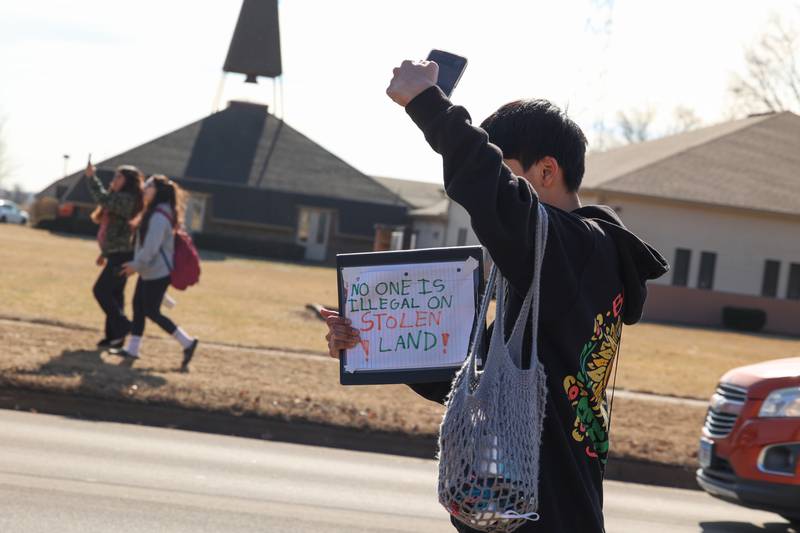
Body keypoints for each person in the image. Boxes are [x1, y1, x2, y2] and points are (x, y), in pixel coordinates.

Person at [323, 60, 669, 533]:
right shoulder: (561, 264)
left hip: (547, 516)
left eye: (509, 174)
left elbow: (489, 193)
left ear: (547, 171)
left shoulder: (574, 245)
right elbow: (473, 376)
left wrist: (428, 104)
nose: (499, 194)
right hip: (535, 511)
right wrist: (372, 339)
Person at [117, 175, 199, 371]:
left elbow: (151, 248)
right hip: (150, 270)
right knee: (139, 306)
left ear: (158, 191)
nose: (144, 189)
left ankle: (187, 342)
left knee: (151, 311)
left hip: (157, 271)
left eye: (149, 186)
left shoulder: (159, 217)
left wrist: (135, 265)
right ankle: (133, 349)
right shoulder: (157, 212)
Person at [86, 163, 144, 349]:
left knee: (101, 291)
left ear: (128, 181)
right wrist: (104, 253)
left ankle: (122, 325)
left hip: (122, 255)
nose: (114, 180)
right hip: (116, 254)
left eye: (118, 177)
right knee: (114, 295)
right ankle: (114, 338)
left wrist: (91, 178)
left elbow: (104, 199)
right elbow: (112, 230)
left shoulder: (128, 199)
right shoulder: (122, 198)